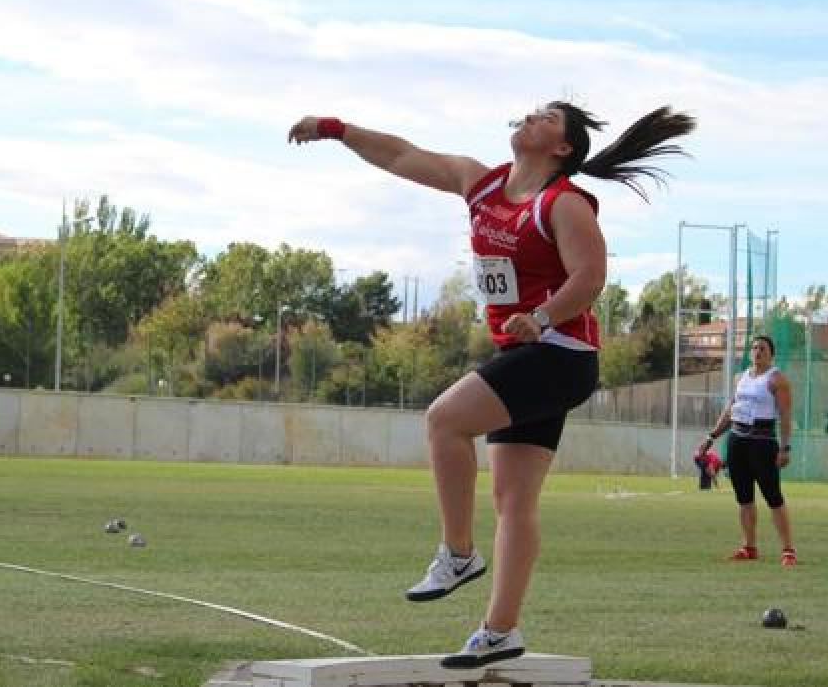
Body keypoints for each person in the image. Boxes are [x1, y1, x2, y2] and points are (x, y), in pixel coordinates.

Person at [288, 102, 695, 667]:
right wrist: (337, 130)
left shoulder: (565, 203)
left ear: (562, 148)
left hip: (559, 354)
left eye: (546, 118)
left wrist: (546, 315)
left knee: (443, 420)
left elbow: (590, 277)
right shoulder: (480, 185)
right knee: (514, 500)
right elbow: (403, 156)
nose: (529, 118)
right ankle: (500, 631)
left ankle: (457, 553)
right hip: (527, 355)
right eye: (530, 112)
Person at [696, 334, 796, 566]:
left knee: (773, 496)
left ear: (771, 353)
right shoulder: (741, 378)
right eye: (754, 348)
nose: (757, 351)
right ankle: (749, 547)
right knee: (744, 497)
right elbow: (730, 410)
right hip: (737, 440)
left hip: (763, 442)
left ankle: (788, 550)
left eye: (762, 348)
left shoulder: (777, 379)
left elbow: (785, 415)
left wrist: (784, 447)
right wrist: (711, 437)